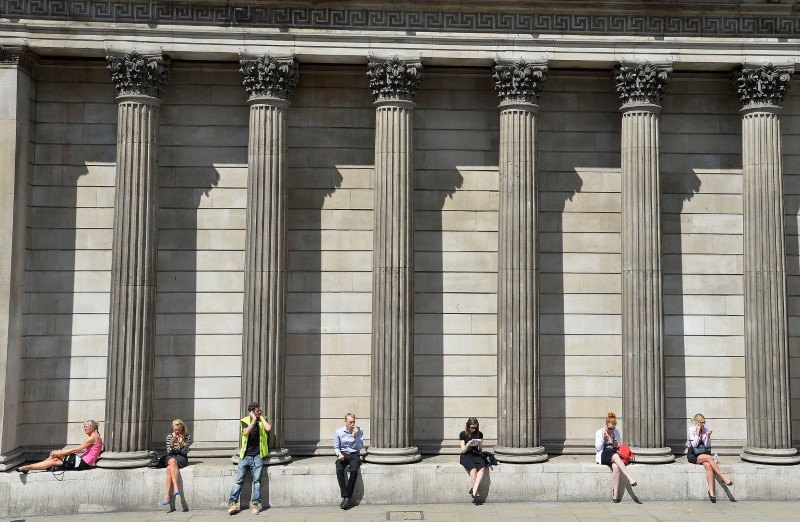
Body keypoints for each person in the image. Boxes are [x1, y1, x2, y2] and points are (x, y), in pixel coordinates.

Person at [228, 402, 271, 515]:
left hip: (258, 456)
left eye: (260, 410)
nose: (260, 411)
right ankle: (233, 503)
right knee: (239, 480)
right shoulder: (245, 421)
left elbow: (268, 428)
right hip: (245, 456)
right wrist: (253, 420)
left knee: (257, 481)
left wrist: (260, 417)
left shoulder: (263, 419)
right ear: (252, 412)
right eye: (257, 411)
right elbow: (246, 432)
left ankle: (255, 504)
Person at [16, 419, 103, 473]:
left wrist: (59, 453)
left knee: (56, 455)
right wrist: (59, 453)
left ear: (93, 427)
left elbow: (76, 450)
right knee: (54, 460)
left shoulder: (93, 437)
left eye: (86, 426)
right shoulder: (94, 437)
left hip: (83, 463)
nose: (85, 428)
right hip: (81, 462)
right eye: (84, 427)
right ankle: (27, 467)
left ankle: (28, 467)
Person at [687, 413, 733, 502]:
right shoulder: (691, 430)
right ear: (697, 422)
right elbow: (694, 445)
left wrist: (708, 436)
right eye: (701, 422)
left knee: (708, 465)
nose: (703, 424)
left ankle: (711, 492)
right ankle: (723, 477)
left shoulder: (705, 429)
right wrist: (697, 433)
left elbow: (707, 446)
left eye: (704, 422)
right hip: (693, 455)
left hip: (702, 454)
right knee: (708, 458)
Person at [594, 412, 637, 502]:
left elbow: (617, 446)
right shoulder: (599, 432)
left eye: (613, 428)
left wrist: (617, 445)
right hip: (603, 454)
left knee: (616, 467)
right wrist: (603, 439)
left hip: (613, 453)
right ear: (606, 425)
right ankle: (629, 477)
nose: (611, 430)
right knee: (615, 456)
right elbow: (598, 448)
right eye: (609, 428)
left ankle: (615, 495)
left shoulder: (616, 432)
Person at [334, 412, 364, 510]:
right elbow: (336, 447)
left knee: (353, 471)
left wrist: (355, 436)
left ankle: (347, 497)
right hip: (343, 454)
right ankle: (346, 496)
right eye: (350, 422)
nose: (352, 424)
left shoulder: (359, 430)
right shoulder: (339, 432)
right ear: (345, 422)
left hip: (354, 454)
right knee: (339, 469)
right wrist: (339, 454)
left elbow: (359, 447)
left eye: (354, 422)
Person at [161, 419, 192, 505]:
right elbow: (169, 453)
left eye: (179, 430)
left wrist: (182, 445)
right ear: (173, 428)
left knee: (169, 469)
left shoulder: (187, 436)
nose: (177, 431)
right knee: (172, 460)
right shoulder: (169, 437)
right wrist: (171, 444)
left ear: (182, 428)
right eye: (175, 430)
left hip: (182, 457)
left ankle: (167, 496)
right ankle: (175, 488)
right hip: (171, 456)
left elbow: (185, 452)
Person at [459, 417, 486, 504]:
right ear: (468, 426)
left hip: (475, 454)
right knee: (473, 469)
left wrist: (480, 444)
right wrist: (468, 444)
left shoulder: (479, 434)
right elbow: (463, 450)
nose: (474, 429)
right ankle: (476, 492)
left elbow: (480, 450)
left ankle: (474, 489)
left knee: (482, 466)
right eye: (472, 427)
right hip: (466, 455)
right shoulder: (463, 434)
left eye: (475, 427)